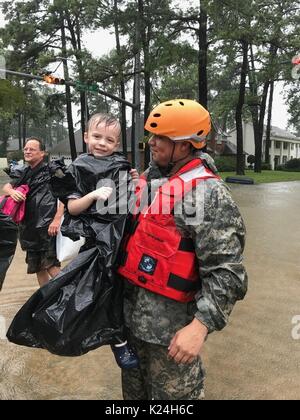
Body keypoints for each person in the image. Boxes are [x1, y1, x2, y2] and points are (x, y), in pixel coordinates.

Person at [117, 99, 248, 400]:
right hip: (132, 328)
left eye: (161, 137)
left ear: (186, 145)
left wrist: (200, 327)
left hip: (172, 339)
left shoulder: (209, 194)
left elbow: (227, 273)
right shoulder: (150, 183)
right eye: (152, 134)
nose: (152, 142)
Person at [60, 113, 139, 368]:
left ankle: (121, 337)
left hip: (121, 238)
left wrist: (136, 183)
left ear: (116, 144)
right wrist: (93, 194)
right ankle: (116, 341)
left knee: (121, 290)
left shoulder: (121, 166)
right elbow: (72, 209)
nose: (102, 143)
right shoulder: (79, 166)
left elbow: (135, 202)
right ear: (85, 137)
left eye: (109, 139)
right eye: (96, 137)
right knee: (97, 291)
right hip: (96, 243)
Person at [3, 137, 64, 287]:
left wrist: (57, 219)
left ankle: (65, 299)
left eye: (32, 149)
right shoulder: (22, 172)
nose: (27, 151)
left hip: (47, 226)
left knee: (50, 265)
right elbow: (6, 187)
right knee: (37, 267)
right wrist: (12, 192)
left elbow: (65, 194)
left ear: (42, 153)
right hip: (28, 228)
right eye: (26, 149)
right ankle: (45, 301)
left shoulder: (52, 171)